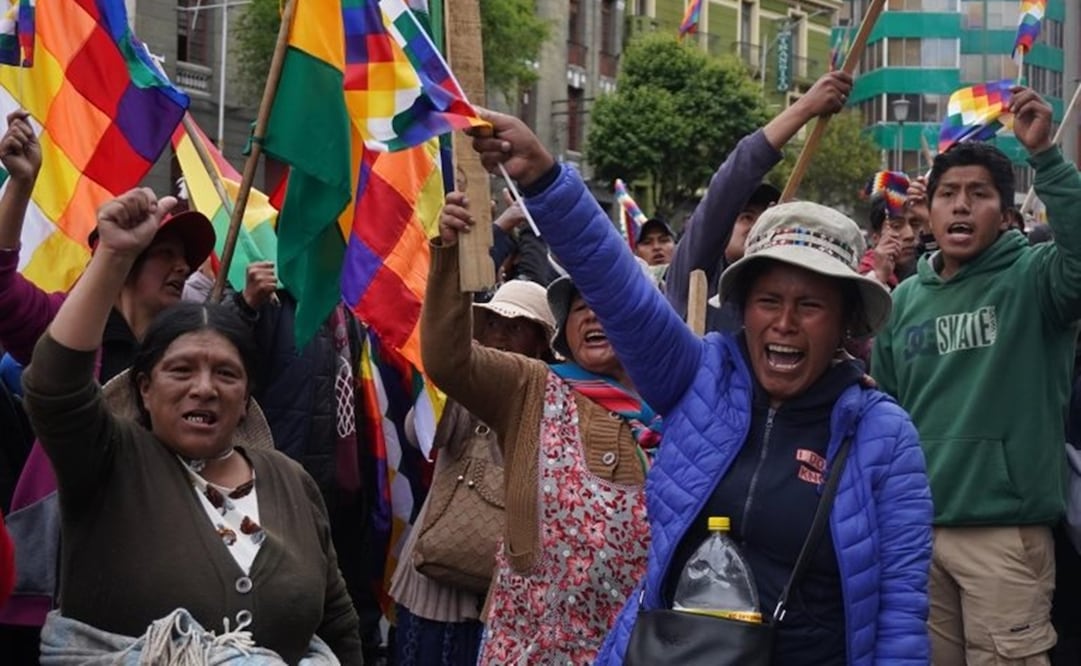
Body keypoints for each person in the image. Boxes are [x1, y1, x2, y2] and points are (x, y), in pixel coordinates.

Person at [466, 109, 933, 665]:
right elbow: (619, 291)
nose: (785, 322)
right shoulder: (700, 380)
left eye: (809, 306)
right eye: (768, 301)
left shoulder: (884, 436)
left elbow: (901, 616)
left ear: (845, 322)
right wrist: (546, 180)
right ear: (744, 309)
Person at [21, 187, 363, 663]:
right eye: (181, 370)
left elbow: (338, 624)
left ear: (246, 398)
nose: (204, 388)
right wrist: (115, 258)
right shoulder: (108, 461)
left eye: (226, 373)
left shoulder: (290, 480)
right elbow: (54, 387)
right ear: (144, 388)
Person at [871, 86, 1081, 664]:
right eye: (948, 194)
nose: (961, 206)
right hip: (915, 536)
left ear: (1005, 211)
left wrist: (1047, 158)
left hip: (1006, 537)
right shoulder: (903, 301)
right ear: (928, 210)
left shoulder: (1038, 280)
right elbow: (885, 415)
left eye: (979, 194)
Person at [0, 112, 216, 651]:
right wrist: (21, 184)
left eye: (185, 259)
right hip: (51, 599)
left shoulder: (191, 365)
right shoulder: (71, 338)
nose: (180, 268)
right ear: (115, 257)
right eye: (162, 254)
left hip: (150, 607)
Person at [423, 194, 660, 664]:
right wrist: (451, 254)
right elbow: (447, 361)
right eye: (578, 306)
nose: (592, 314)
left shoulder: (680, 408)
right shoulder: (531, 386)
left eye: (608, 301)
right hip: (529, 646)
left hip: (638, 647)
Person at [390, 196, 557, 664]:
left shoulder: (557, 400)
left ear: (542, 343)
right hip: (432, 593)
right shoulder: (464, 386)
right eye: (491, 323)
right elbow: (420, 431)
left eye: (517, 327)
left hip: (509, 600)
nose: (500, 334)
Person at [666, 70, 853, 334]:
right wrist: (805, 108)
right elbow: (731, 183)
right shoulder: (696, 274)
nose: (784, 323)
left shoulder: (787, 304)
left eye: (767, 221)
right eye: (746, 217)